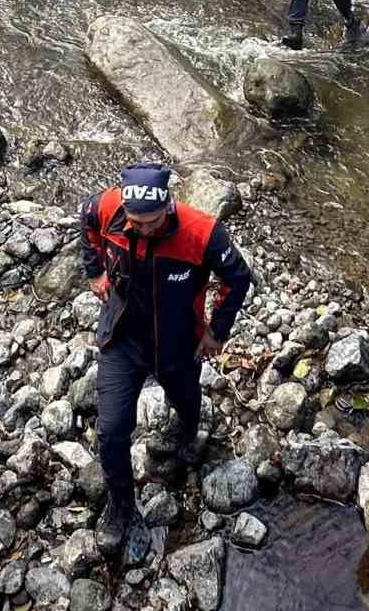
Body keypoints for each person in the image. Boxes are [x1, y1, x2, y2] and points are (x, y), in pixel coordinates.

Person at [81, 163, 253, 556]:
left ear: (168, 207)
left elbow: (238, 278)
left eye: (151, 222)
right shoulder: (109, 207)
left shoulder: (202, 232)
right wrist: (94, 272)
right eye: (135, 222)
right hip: (121, 335)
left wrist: (216, 332)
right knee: (110, 430)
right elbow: (85, 219)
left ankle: (188, 431)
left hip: (177, 341)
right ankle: (121, 506)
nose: (142, 229)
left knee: (187, 399)